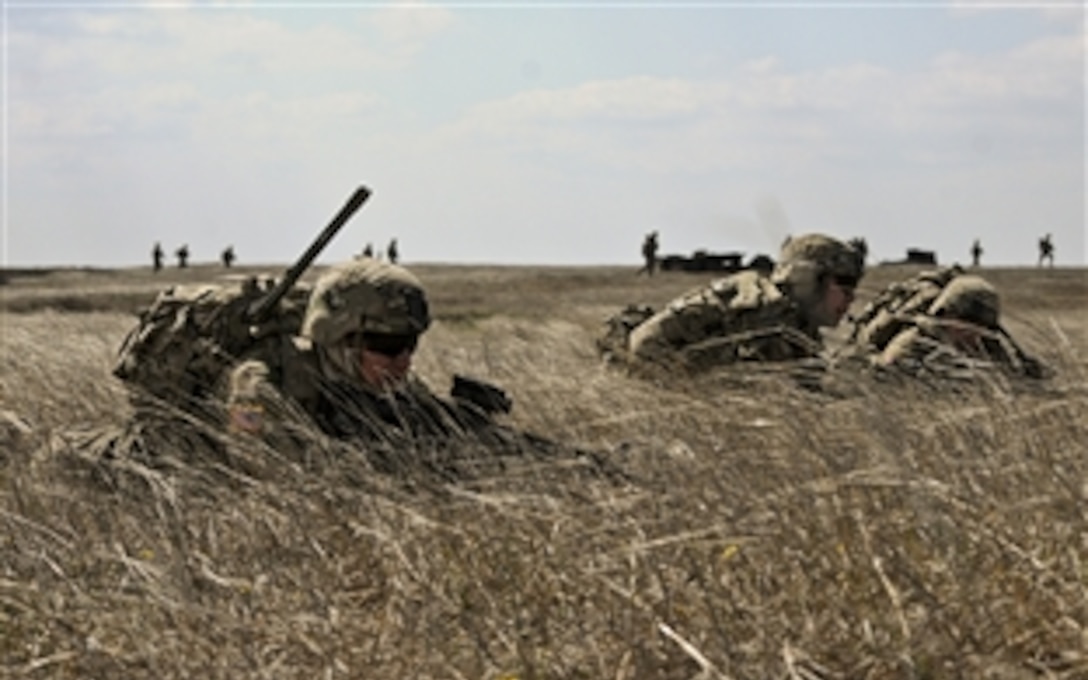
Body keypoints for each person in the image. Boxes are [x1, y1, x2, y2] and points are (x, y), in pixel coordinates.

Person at [225, 257, 579, 471]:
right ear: (339, 339)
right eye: (387, 345)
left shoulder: (389, 386)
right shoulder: (257, 385)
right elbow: (254, 458)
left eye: (410, 343)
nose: (403, 360)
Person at [599, 233, 866, 372]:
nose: (851, 297)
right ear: (807, 279)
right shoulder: (758, 314)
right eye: (844, 283)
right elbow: (644, 345)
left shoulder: (796, 325)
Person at [855, 273, 1048, 379]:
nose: (975, 333)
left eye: (984, 326)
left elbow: (1009, 377)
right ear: (946, 315)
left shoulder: (986, 343)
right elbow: (890, 375)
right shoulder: (915, 340)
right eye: (968, 322)